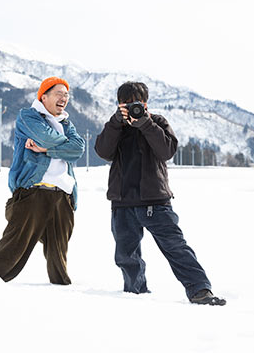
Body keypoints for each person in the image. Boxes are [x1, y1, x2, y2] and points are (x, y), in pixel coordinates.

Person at [94, 81, 226, 305]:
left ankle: (200, 290)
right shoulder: (115, 126)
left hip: (155, 201)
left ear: (146, 103)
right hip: (122, 202)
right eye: (126, 103)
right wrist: (116, 122)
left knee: (175, 247)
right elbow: (103, 151)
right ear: (119, 104)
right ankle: (135, 294)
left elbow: (167, 151)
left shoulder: (157, 122)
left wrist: (145, 123)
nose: (132, 107)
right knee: (126, 255)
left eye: (137, 102)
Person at [0, 76, 85, 285]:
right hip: (33, 192)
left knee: (59, 253)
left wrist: (47, 149)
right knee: (14, 246)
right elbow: (47, 138)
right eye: (59, 93)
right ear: (44, 96)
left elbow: (78, 149)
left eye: (67, 95)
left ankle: (61, 290)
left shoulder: (66, 123)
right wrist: (60, 146)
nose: (64, 98)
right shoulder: (28, 117)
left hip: (62, 194)